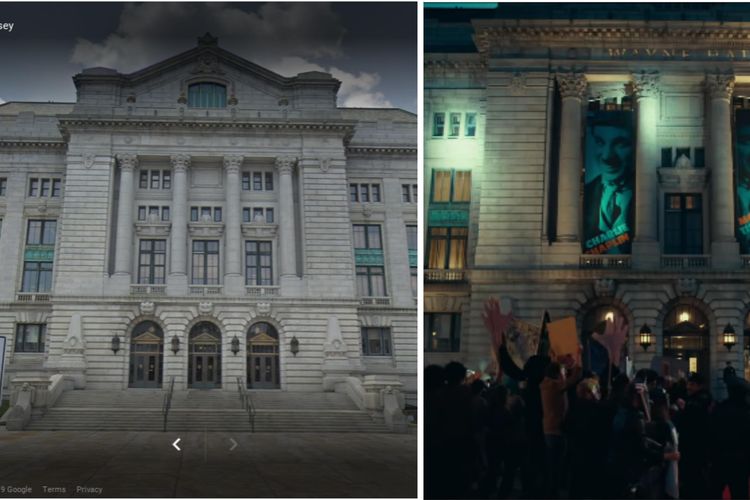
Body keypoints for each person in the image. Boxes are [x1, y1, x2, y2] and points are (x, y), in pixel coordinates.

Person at [583, 112, 635, 255]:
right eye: (600, 142)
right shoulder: (586, 193)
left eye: (620, 144)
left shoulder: (645, 195)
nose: (607, 157)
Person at [540, 354, 582, 498]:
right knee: (556, 465)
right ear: (556, 374)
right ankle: (553, 493)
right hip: (556, 429)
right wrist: (576, 363)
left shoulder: (547, 384)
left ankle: (551, 492)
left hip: (549, 428)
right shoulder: (553, 386)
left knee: (553, 464)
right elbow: (573, 379)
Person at [708, 376, 750, 500]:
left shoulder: (720, 409)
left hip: (719, 460)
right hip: (740, 462)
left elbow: (711, 434)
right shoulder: (746, 412)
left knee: (715, 492)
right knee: (740, 493)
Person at [673, 373, 713, 499]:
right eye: (688, 384)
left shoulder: (701, 400)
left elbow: (690, 419)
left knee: (695, 480)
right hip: (694, 447)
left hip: (695, 448)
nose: (688, 387)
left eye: (691, 384)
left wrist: (684, 408)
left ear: (699, 386)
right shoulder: (696, 398)